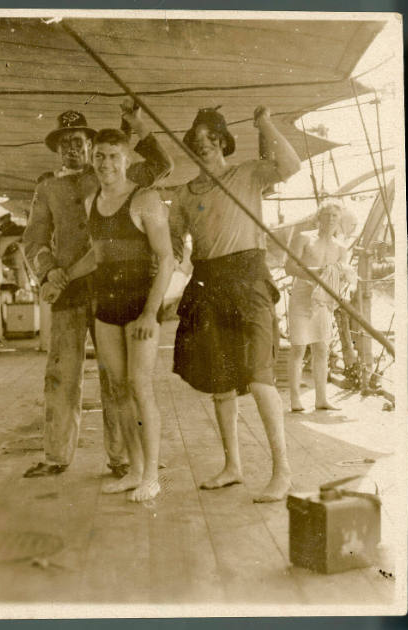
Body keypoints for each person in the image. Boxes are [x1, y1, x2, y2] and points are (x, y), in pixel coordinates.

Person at [23, 101, 173, 478]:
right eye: (64, 143)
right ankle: (57, 455)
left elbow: (162, 166)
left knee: (115, 377)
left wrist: (139, 127)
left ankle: (123, 459)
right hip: (68, 292)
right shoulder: (47, 188)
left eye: (79, 141)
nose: (73, 149)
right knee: (61, 373)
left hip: (111, 289)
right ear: (57, 149)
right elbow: (34, 239)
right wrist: (49, 272)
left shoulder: (110, 174)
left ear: (91, 145)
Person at [170, 105, 301, 502]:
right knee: (221, 383)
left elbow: (290, 165)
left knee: (260, 377)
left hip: (249, 281)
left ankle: (282, 472)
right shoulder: (183, 195)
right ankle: (233, 466)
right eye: (197, 141)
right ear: (191, 148)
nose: (204, 145)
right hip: (208, 283)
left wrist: (265, 123)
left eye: (212, 138)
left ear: (224, 141)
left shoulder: (248, 174)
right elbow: (172, 244)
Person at [84, 129, 174, 502]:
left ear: (127, 160)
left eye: (114, 157)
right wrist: (59, 278)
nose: (106, 163)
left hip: (140, 306)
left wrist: (150, 314)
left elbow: (167, 259)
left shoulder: (145, 199)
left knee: (139, 386)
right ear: (93, 158)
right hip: (106, 308)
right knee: (117, 390)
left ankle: (152, 475)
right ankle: (134, 470)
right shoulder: (91, 199)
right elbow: (97, 256)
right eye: (100, 156)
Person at [286, 198, 355, 412]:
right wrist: (317, 272)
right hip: (302, 296)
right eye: (327, 215)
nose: (331, 219)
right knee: (298, 348)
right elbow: (288, 267)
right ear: (319, 217)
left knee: (322, 348)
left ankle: (321, 399)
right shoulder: (304, 238)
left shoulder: (342, 248)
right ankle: (295, 399)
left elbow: (343, 276)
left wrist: (344, 276)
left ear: (339, 219)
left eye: (335, 216)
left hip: (324, 300)